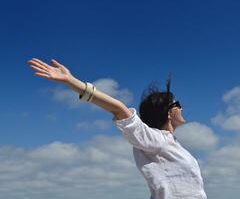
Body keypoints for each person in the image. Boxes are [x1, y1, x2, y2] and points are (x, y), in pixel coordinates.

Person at [28, 58, 207, 199]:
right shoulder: (156, 140)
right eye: (178, 104)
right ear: (168, 112)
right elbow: (119, 109)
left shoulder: (170, 143)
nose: (182, 108)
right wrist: (72, 81)